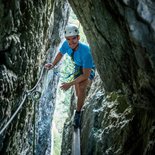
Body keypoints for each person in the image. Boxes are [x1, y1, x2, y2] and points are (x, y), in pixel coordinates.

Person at [45, 24, 95, 128]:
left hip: (89, 68)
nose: (71, 42)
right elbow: (60, 54)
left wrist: (69, 84)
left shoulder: (86, 52)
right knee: (77, 94)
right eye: (68, 39)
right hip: (78, 66)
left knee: (81, 87)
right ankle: (80, 103)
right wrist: (52, 64)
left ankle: (78, 114)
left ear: (78, 38)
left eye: (74, 39)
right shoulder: (66, 44)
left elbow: (86, 75)